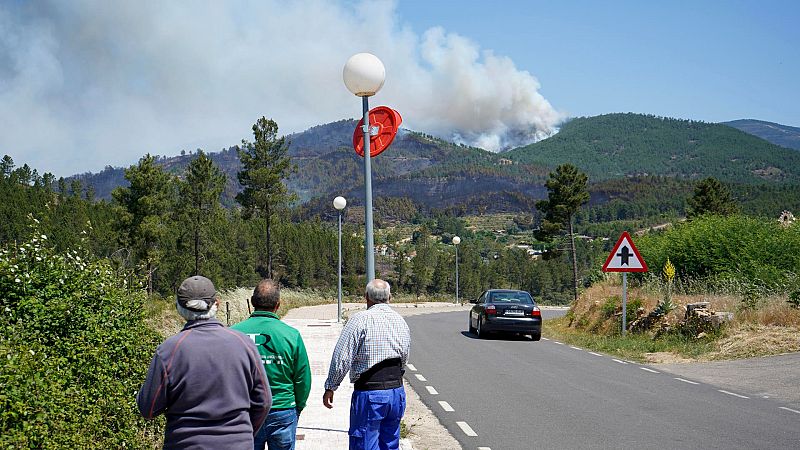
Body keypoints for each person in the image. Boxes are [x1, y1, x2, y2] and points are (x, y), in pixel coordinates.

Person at [137, 276, 272, 449]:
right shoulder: (245, 344)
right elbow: (265, 401)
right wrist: (243, 433)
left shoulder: (169, 350)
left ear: (179, 307)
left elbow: (148, 409)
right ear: (217, 303)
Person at [323, 279, 411, 450]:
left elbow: (342, 356)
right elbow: (405, 357)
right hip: (396, 393)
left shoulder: (360, 320)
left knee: (364, 444)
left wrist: (331, 386)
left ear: (366, 298)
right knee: (390, 444)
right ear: (389, 297)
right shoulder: (401, 321)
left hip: (370, 393)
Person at [232, 279, 311, 450]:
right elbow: (302, 378)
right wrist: (298, 406)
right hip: (283, 409)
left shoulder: (233, 334)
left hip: (247, 411)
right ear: (278, 304)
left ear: (253, 302)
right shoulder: (291, 335)